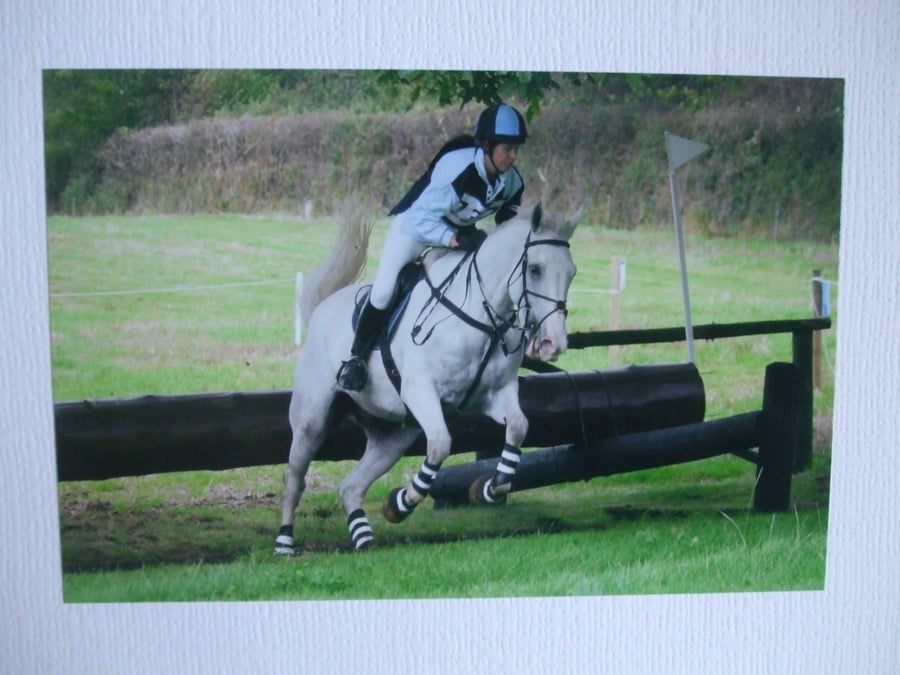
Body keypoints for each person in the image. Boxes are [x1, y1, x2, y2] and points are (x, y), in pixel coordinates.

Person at [336, 102, 529, 391]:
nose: (513, 156)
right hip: (415, 228)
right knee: (385, 289)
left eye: (516, 149)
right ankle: (356, 359)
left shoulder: (512, 182)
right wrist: (453, 239)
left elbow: (508, 223)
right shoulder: (459, 168)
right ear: (487, 145)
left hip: (458, 233)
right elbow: (420, 219)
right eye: (508, 149)